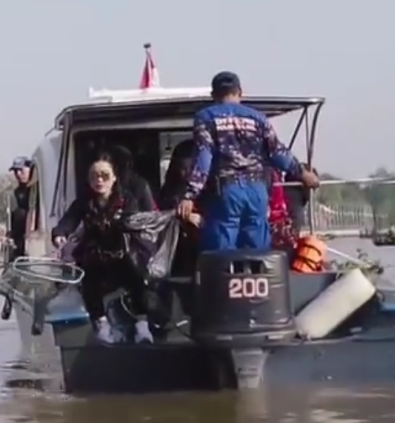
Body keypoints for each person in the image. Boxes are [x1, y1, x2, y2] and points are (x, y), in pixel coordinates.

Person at [177, 72, 320, 251]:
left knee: (222, 253)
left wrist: (189, 195)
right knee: (257, 251)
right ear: (240, 92)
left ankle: (226, 279)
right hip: (257, 192)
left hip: (226, 193)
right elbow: (277, 153)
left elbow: (203, 158)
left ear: (213, 95)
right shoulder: (258, 118)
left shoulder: (205, 118)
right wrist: (303, 173)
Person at [51, 156, 156, 345]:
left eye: (104, 176)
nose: (99, 181)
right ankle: (102, 325)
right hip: (96, 256)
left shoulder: (126, 199)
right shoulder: (84, 201)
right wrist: (60, 234)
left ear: (114, 178)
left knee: (137, 281)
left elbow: (134, 221)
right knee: (89, 283)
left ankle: (142, 326)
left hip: (122, 254)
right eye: (94, 176)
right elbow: (69, 220)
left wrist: (121, 223)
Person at [157, 138, 202, 276]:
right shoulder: (170, 189)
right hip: (177, 249)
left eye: (191, 169)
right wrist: (177, 215)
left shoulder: (211, 188)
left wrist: (203, 219)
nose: (186, 173)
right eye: (182, 168)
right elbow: (159, 213)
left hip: (205, 245)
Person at [8, 157, 34, 258]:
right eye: (15, 171)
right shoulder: (18, 192)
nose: (18, 174)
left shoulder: (40, 186)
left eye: (21, 170)